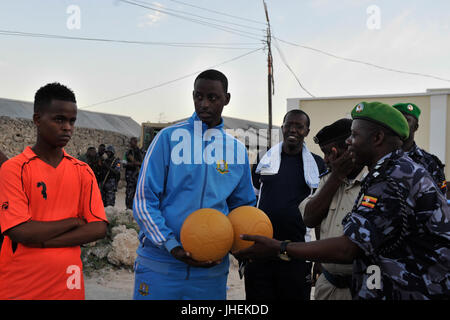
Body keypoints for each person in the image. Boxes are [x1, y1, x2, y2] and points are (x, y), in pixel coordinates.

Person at [235, 101, 450, 300]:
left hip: (417, 288)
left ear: (377, 139)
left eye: (354, 136)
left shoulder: (392, 179)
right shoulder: (393, 170)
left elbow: (348, 249)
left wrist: (279, 247)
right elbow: (312, 218)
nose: (349, 141)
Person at [132, 69, 256, 300]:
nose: (204, 104)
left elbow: (243, 208)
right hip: (161, 265)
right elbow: (143, 201)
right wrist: (171, 245)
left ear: (226, 99)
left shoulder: (236, 150)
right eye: (199, 97)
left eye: (212, 98)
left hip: (210, 274)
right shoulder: (167, 139)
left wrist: (240, 245)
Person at [0, 82, 107, 299]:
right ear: (38, 120)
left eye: (71, 121)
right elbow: (20, 231)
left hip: (68, 285)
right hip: (20, 284)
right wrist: (73, 221)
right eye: (59, 119)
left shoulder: (82, 171)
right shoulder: (15, 169)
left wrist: (43, 242)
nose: (67, 127)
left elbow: (98, 228)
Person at [245, 109, 326, 300]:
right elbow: (251, 201)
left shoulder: (317, 164)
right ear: (282, 127)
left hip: (297, 254)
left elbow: (322, 214)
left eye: (299, 126)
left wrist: (320, 258)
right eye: (289, 125)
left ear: (306, 131)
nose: (293, 130)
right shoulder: (264, 159)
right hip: (261, 252)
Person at [299, 118, 366, 300]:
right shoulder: (327, 180)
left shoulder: (374, 181)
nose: (326, 159)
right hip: (329, 286)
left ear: (349, 147)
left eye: (331, 153)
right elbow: (310, 218)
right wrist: (336, 177)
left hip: (365, 287)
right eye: (324, 153)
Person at [392, 103, 447, 195]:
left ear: (416, 127)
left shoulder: (430, 162)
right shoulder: (380, 156)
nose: (401, 124)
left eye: (406, 120)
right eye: (397, 120)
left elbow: (441, 198)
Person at [124, 137, 143, 209]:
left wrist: (137, 163)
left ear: (135, 142)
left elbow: (143, 163)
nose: (130, 144)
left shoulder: (140, 152)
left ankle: (137, 208)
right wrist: (130, 164)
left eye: (132, 142)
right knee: (129, 193)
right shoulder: (127, 152)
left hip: (137, 176)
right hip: (129, 176)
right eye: (130, 142)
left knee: (137, 193)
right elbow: (123, 163)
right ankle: (128, 208)